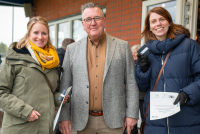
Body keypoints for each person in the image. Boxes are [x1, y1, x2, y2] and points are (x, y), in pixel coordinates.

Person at [58, 2, 139, 134]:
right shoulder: (72, 50)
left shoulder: (122, 47)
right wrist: (64, 117)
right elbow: (65, 86)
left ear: (105, 21)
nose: (93, 23)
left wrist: (132, 114)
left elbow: (131, 83)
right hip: (80, 121)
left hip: (113, 122)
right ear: (83, 25)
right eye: (88, 19)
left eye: (97, 18)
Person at [135, 7, 200, 134]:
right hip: (155, 124)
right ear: (149, 27)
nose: (158, 24)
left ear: (169, 22)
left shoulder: (190, 45)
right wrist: (143, 70)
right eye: (153, 21)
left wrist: (187, 94)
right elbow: (142, 87)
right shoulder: (145, 52)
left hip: (186, 121)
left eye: (162, 19)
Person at [0, 16, 68, 134]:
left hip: (45, 128)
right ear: (28, 34)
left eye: (44, 33)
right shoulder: (14, 57)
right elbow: (1, 92)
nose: (40, 37)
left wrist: (60, 98)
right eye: (36, 32)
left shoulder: (53, 61)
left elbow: (49, 93)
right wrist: (25, 111)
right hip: (19, 129)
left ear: (48, 35)